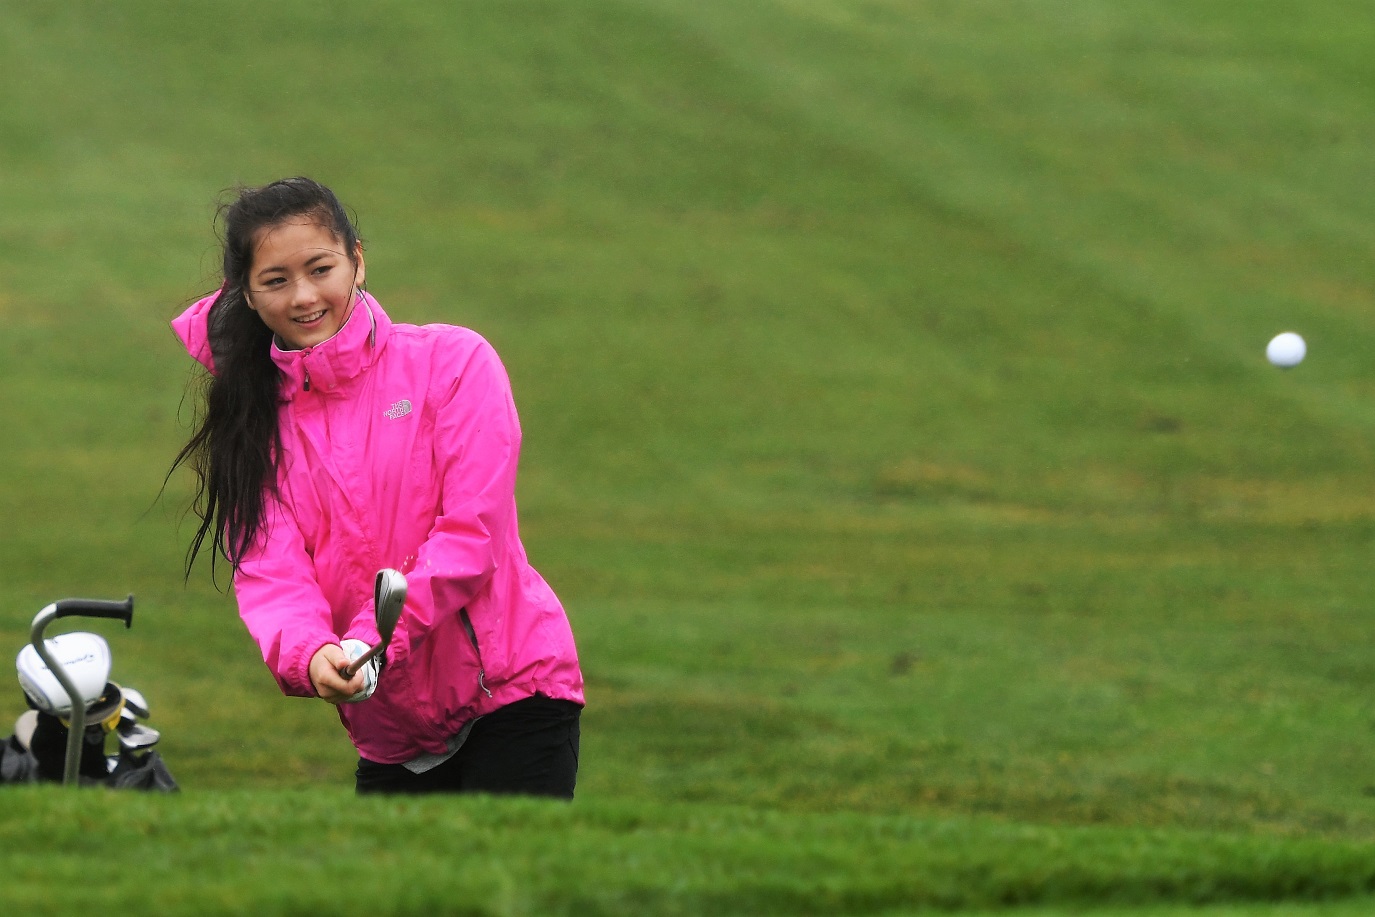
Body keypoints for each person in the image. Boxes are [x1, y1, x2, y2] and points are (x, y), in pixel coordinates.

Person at [169, 177, 584, 796]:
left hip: (514, 695)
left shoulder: (455, 362)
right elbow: (272, 575)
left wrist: (369, 639)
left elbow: (472, 537)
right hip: (387, 732)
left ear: (357, 261)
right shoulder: (254, 424)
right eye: (276, 281)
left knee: (504, 891)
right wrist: (312, 656)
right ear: (248, 297)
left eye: (320, 268)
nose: (304, 296)